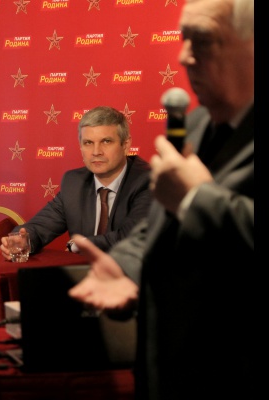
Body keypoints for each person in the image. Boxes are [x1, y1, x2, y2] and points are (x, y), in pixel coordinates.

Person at [68, 0, 255, 399]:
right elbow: (158, 224)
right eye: (184, 38)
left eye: (202, 40)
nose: (184, 56)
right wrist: (126, 267)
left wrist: (196, 198)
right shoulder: (197, 123)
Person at [0, 106, 153, 259]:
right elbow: (41, 226)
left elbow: (132, 238)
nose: (96, 152)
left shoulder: (149, 181)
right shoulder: (74, 182)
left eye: (106, 141)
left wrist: (77, 245)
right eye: (88, 143)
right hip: (85, 272)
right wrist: (21, 240)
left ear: (126, 144)